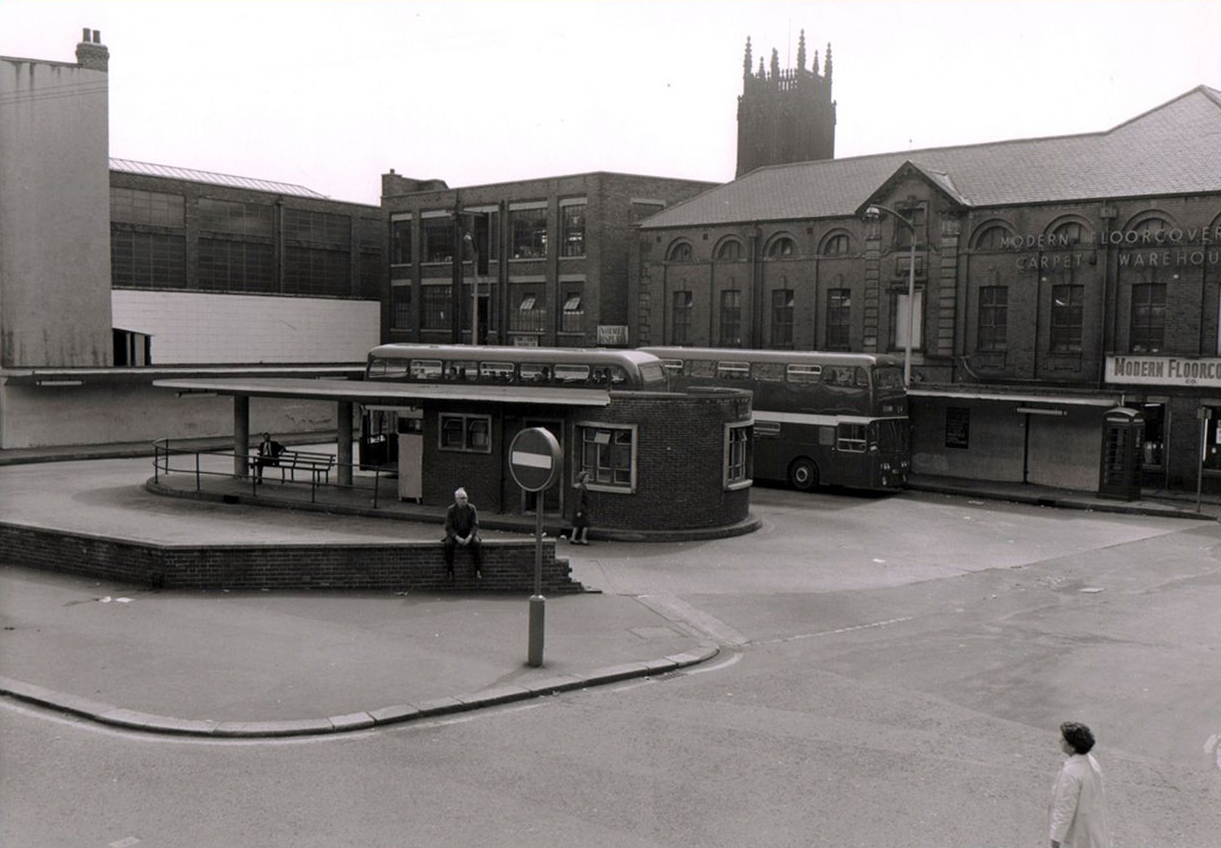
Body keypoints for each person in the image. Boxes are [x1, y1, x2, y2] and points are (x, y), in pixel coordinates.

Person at [1049, 721, 1111, 848]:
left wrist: (1055, 838)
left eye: (1062, 740)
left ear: (1072, 746)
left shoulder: (1071, 772)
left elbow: (1065, 807)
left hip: (1077, 834)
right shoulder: (1092, 762)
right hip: (1093, 829)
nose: (1059, 741)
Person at [443, 487, 482, 581]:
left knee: (476, 543)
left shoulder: (472, 508)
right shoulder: (451, 510)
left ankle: (478, 569)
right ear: (456, 499)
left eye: (466, 498)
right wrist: (456, 537)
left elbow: (475, 524)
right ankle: (450, 570)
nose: (464, 500)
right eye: (462, 498)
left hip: (468, 532)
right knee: (448, 544)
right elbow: (448, 526)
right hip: (456, 533)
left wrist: (470, 536)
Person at [569, 470, 591, 545]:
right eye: (587, 477)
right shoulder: (582, 488)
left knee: (577, 524)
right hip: (582, 509)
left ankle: (573, 538)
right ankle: (583, 539)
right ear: (583, 479)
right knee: (586, 524)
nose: (588, 479)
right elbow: (579, 499)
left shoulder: (582, 487)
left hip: (581, 509)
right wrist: (579, 511)